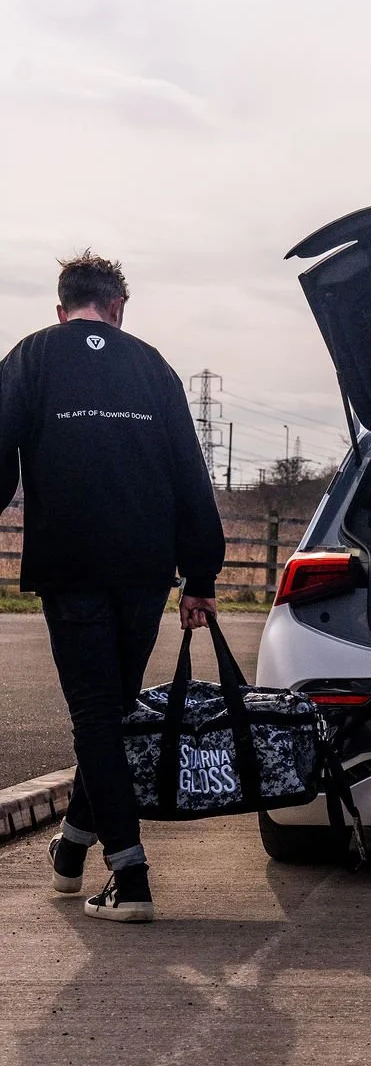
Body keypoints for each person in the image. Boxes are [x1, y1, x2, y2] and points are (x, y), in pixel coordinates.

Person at [0, 251, 225, 922]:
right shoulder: (151, 365)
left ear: (62, 307)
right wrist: (202, 574)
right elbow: (189, 472)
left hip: (69, 566)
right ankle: (71, 853)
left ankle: (130, 878)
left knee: (99, 718)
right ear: (118, 309)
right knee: (111, 715)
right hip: (143, 571)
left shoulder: (31, 357)